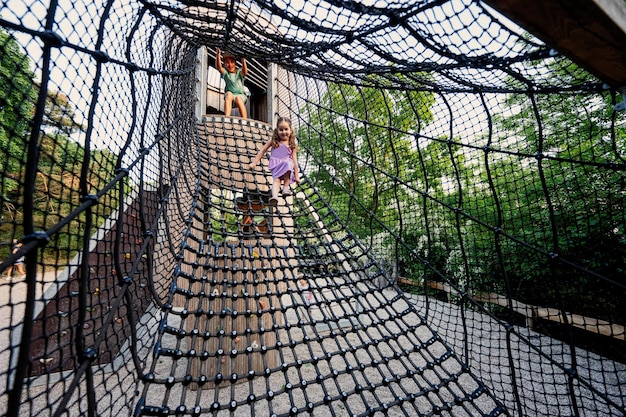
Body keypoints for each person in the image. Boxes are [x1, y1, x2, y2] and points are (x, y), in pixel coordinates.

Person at [250, 116, 300, 205]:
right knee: (276, 180)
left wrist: (297, 176)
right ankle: (274, 196)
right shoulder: (273, 140)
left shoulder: (291, 144)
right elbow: (262, 151)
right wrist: (254, 163)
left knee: (288, 165)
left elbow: (295, 161)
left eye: (286, 129)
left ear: (291, 130)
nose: (284, 132)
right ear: (277, 130)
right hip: (276, 164)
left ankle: (285, 188)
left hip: (287, 165)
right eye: (281, 129)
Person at [216, 48, 248, 118]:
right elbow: (219, 67)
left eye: (231, 62)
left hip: (240, 95)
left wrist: (243, 59)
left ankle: (245, 119)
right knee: (228, 94)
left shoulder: (239, 72)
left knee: (238, 99)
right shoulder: (226, 74)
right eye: (227, 62)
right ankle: (227, 117)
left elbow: (245, 71)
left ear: (235, 63)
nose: (230, 65)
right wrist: (218, 55)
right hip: (231, 97)